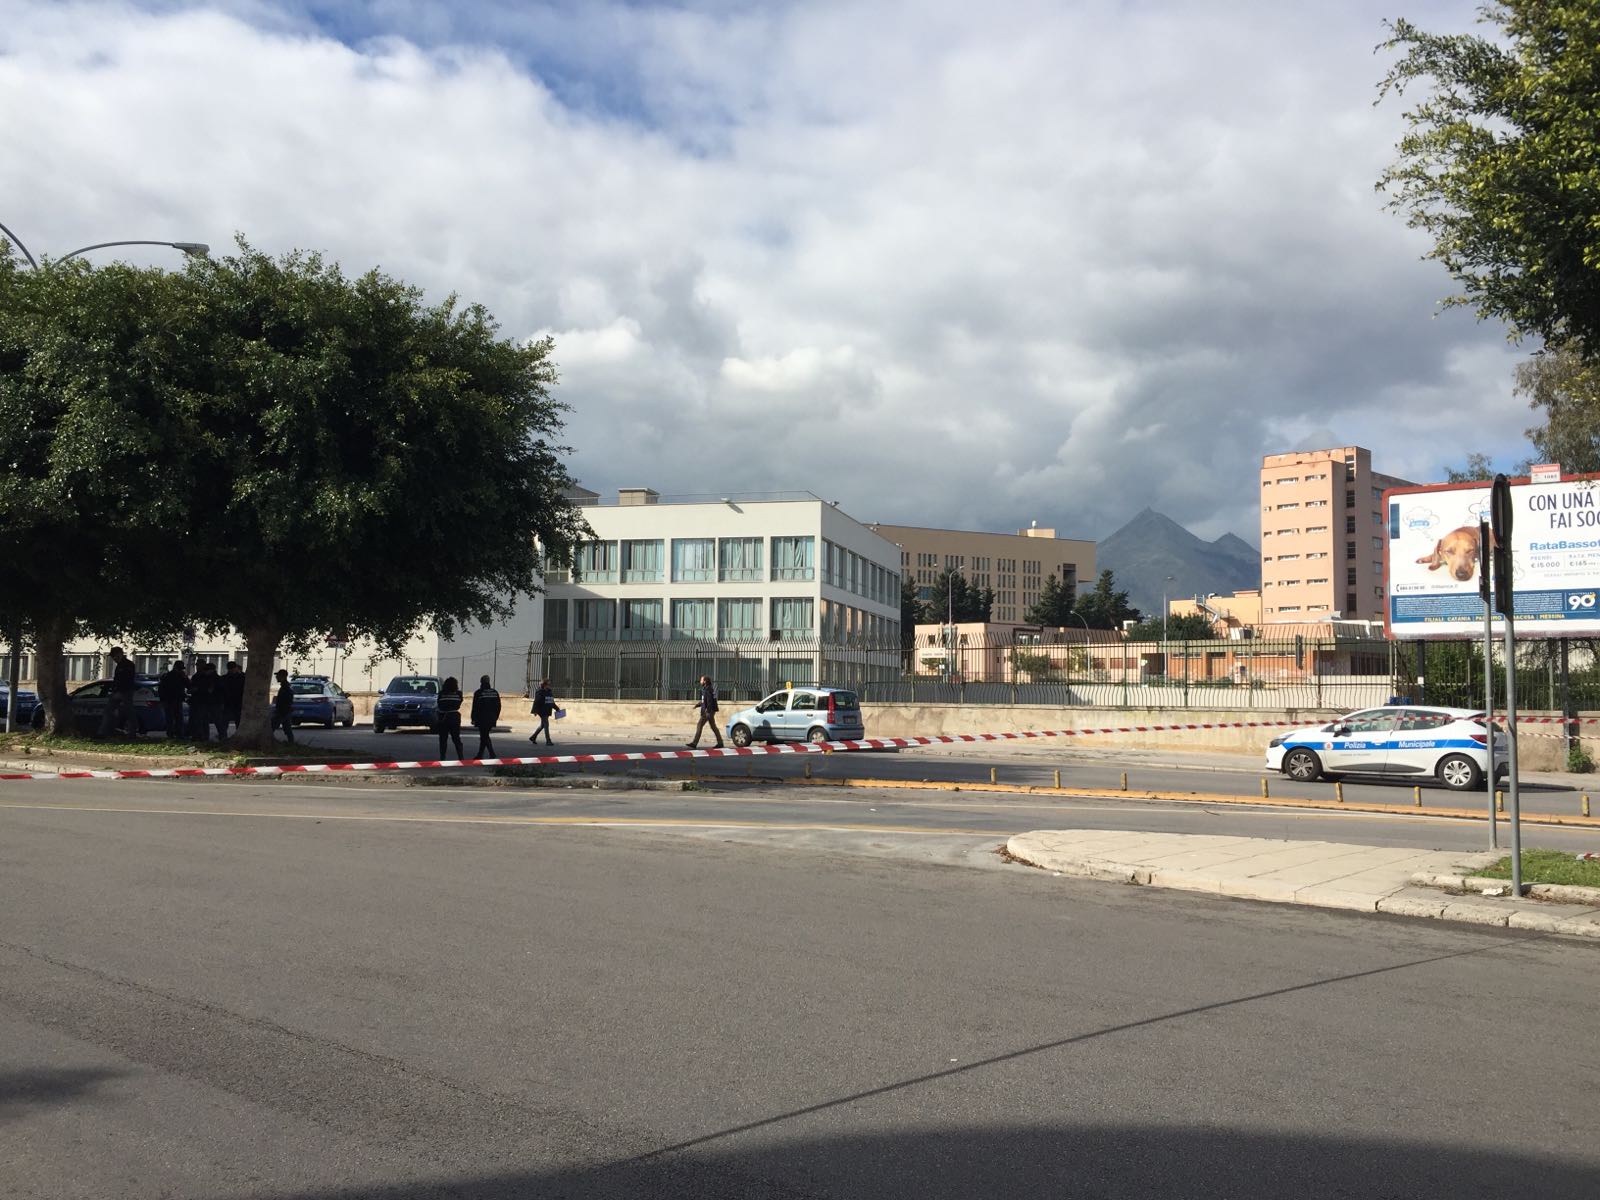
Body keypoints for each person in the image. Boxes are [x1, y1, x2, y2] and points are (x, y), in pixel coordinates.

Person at [99, 647, 138, 739]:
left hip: (125, 692)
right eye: (113, 657)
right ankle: (104, 732)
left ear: (120, 654)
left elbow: (127, 680)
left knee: (129, 712)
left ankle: (132, 733)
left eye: (115, 656)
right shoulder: (119, 665)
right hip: (118, 691)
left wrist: (120, 691)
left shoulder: (128, 665)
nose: (114, 659)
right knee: (109, 711)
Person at [188, 661, 225, 743]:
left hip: (211, 702)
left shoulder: (214, 678)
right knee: (207, 720)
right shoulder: (208, 677)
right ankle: (207, 736)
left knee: (213, 720)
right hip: (208, 702)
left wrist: (200, 690)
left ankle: (211, 736)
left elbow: (209, 690)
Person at [687, 674, 723, 749]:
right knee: (713, 727)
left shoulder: (708, 690)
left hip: (708, 712)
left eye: (701, 680)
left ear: (705, 681)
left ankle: (694, 743)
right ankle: (720, 743)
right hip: (710, 711)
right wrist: (697, 705)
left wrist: (707, 711)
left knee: (699, 725)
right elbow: (704, 700)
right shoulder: (708, 689)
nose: (700, 681)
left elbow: (709, 701)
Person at [471, 675, 501, 759]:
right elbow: (498, 706)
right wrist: (496, 717)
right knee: (484, 736)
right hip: (492, 718)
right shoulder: (495, 692)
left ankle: (491, 754)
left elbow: (475, 707)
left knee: (484, 736)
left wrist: (473, 718)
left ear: (481, 682)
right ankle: (481, 754)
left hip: (482, 718)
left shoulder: (479, 693)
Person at [158, 661, 189, 740]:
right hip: (172, 699)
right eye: (180, 669)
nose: (181, 670)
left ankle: (174, 734)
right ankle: (175, 734)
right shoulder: (169, 676)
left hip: (174, 699)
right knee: (174, 718)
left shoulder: (171, 676)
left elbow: (188, 685)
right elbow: (162, 688)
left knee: (174, 718)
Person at [436, 676, 465, 760]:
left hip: (443, 717)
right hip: (455, 717)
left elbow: (439, 704)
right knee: (456, 738)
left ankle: (442, 757)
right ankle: (461, 756)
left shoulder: (442, 694)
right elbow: (459, 703)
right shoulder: (458, 694)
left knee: (443, 739)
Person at [220, 661, 246, 736]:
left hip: (233, 703)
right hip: (233, 703)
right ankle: (224, 736)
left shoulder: (225, 678)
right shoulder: (241, 678)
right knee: (227, 722)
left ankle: (223, 736)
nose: (232, 670)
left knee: (227, 722)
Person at [529, 677, 556, 746]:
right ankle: (548, 741)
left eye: (550, 684)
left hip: (547, 710)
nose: (549, 685)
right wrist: (535, 711)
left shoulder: (549, 691)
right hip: (542, 711)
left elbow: (551, 701)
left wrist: (557, 709)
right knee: (546, 724)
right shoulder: (540, 691)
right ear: (544, 685)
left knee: (542, 725)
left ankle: (533, 737)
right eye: (548, 684)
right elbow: (536, 702)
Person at [272, 668, 295, 744]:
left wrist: (281, 710)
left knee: (271, 727)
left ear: (283, 676)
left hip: (282, 712)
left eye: (278, 676)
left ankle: (291, 743)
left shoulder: (286, 687)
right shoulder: (285, 686)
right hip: (285, 711)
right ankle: (291, 743)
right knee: (288, 729)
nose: (276, 677)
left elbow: (287, 700)